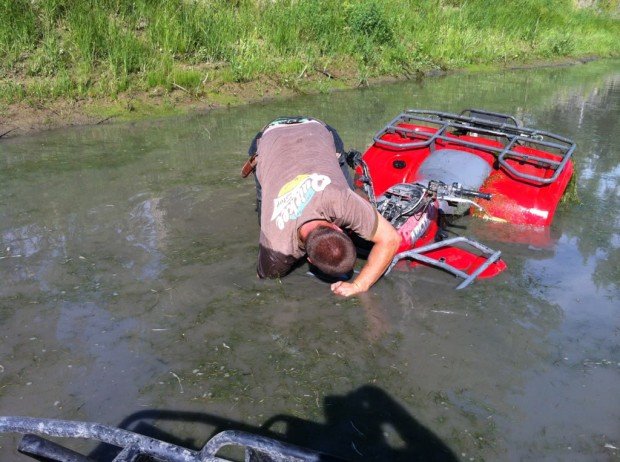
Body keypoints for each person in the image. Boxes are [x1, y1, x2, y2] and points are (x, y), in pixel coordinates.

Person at [244, 116, 400, 297]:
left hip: (313, 130)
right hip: (271, 138)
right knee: (264, 215)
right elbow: (391, 239)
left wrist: (359, 285)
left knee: (347, 193)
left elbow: (391, 240)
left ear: (338, 228)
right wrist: (358, 286)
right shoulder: (276, 244)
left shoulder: (342, 202)